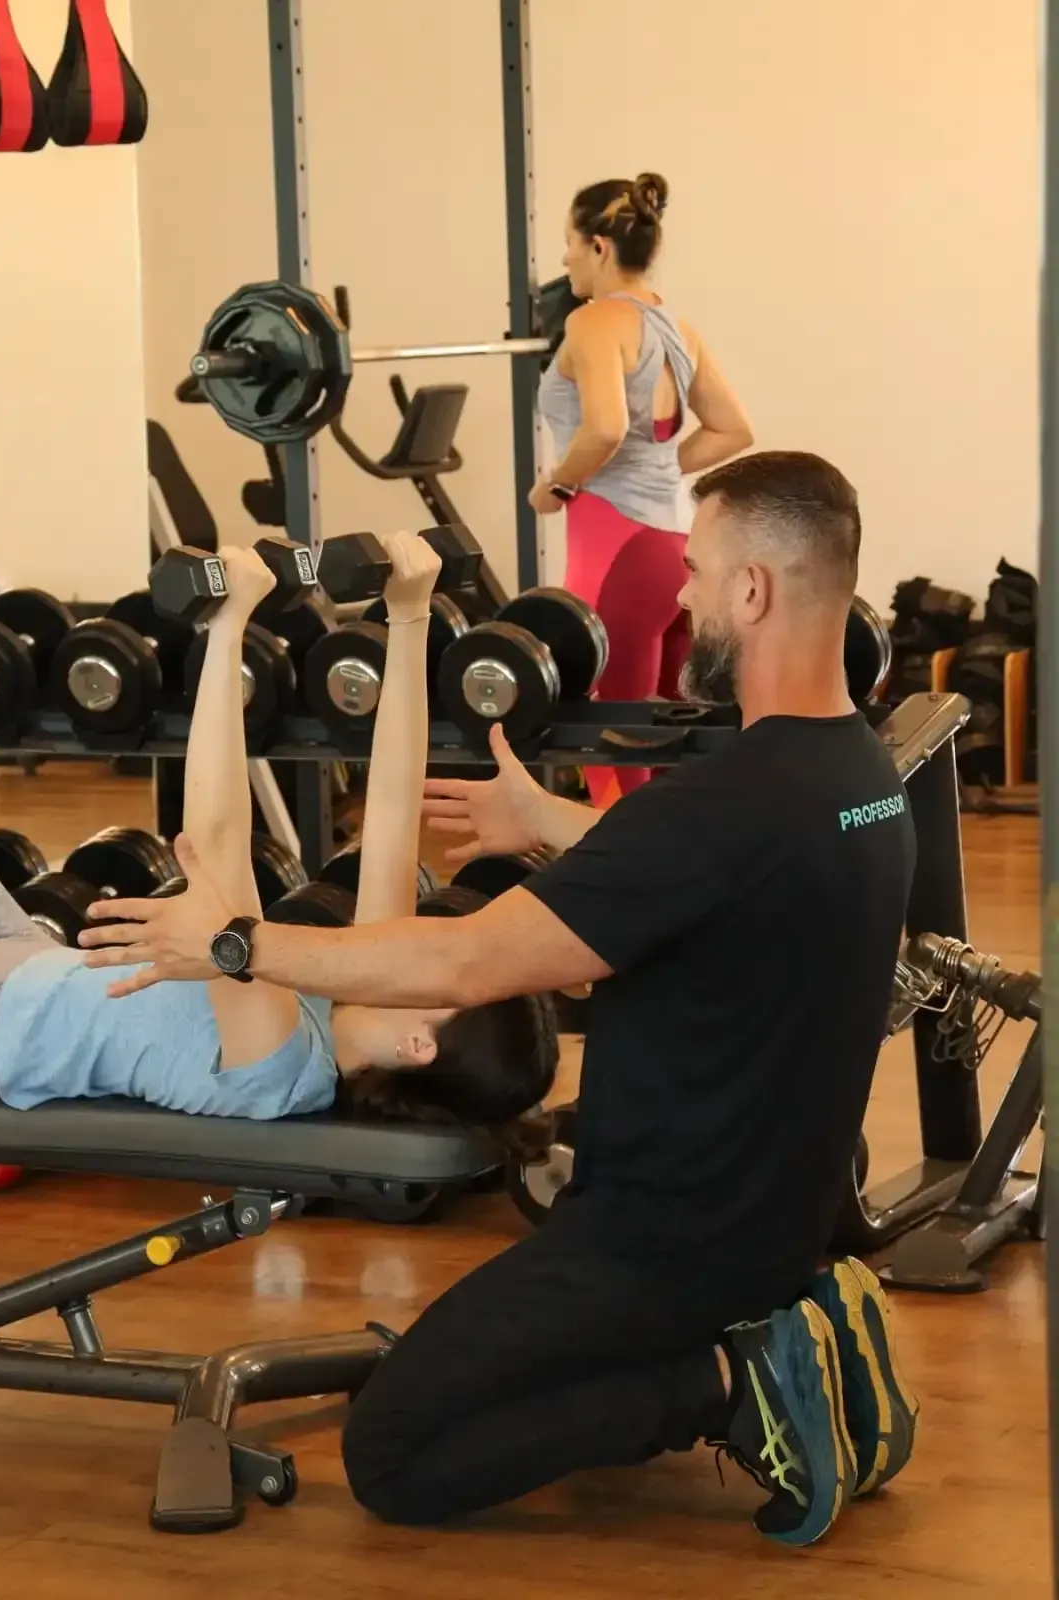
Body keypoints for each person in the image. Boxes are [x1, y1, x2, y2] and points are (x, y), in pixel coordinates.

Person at [80, 451, 920, 1548]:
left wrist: (238, 942)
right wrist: (553, 827)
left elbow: (465, 965)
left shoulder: (721, 806)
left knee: (393, 1453)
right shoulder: (856, 779)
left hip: (655, 1246)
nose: (681, 594)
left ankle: (733, 1385)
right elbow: (719, 879)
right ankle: (782, 1333)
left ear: (752, 592)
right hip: (773, 1225)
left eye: (698, 571)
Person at [0, 532, 555, 1129]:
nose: (427, 954)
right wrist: (411, 615)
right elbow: (390, 818)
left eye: (442, 985)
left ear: (418, 1046)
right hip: (16, 958)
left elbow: (219, 840)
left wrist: (227, 625)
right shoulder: (353, 990)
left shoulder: (281, 1062)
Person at [535, 174, 753, 804]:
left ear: (600, 247)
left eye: (570, 243)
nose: (565, 259)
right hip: (674, 550)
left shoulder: (595, 322)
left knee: (609, 747)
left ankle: (631, 891)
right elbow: (732, 430)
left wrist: (558, 485)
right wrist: (655, 466)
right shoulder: (674, 328)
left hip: (616, 559)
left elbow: (605, 425)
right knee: (678, 748)